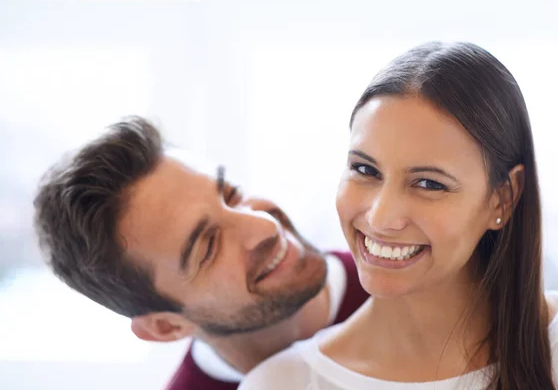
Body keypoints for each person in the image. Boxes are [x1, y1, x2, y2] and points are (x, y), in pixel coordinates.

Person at [239, 42, 558, 390]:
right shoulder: (279, 384)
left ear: (502, 199)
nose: (381, 218)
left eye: (428, 183)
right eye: (365, 170)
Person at [33, 118, 370, 390]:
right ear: (165, 327)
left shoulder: (410, 281)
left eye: (232, 194)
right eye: (209, 246)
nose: (264, 226)